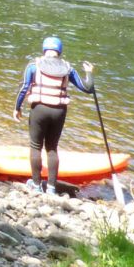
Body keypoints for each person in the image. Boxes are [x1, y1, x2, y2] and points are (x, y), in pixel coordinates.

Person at [13, 36, 94, 195]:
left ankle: (36, 185)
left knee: (36, 146)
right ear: (60, 51)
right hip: (59, 112)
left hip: (39, 109)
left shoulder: (33, 66)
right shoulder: (68, 69)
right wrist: (89, 73)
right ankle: (51, 187)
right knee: (52, 148)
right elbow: (87, 88)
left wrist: (17, 108)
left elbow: (24, 88)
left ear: (44, 50)